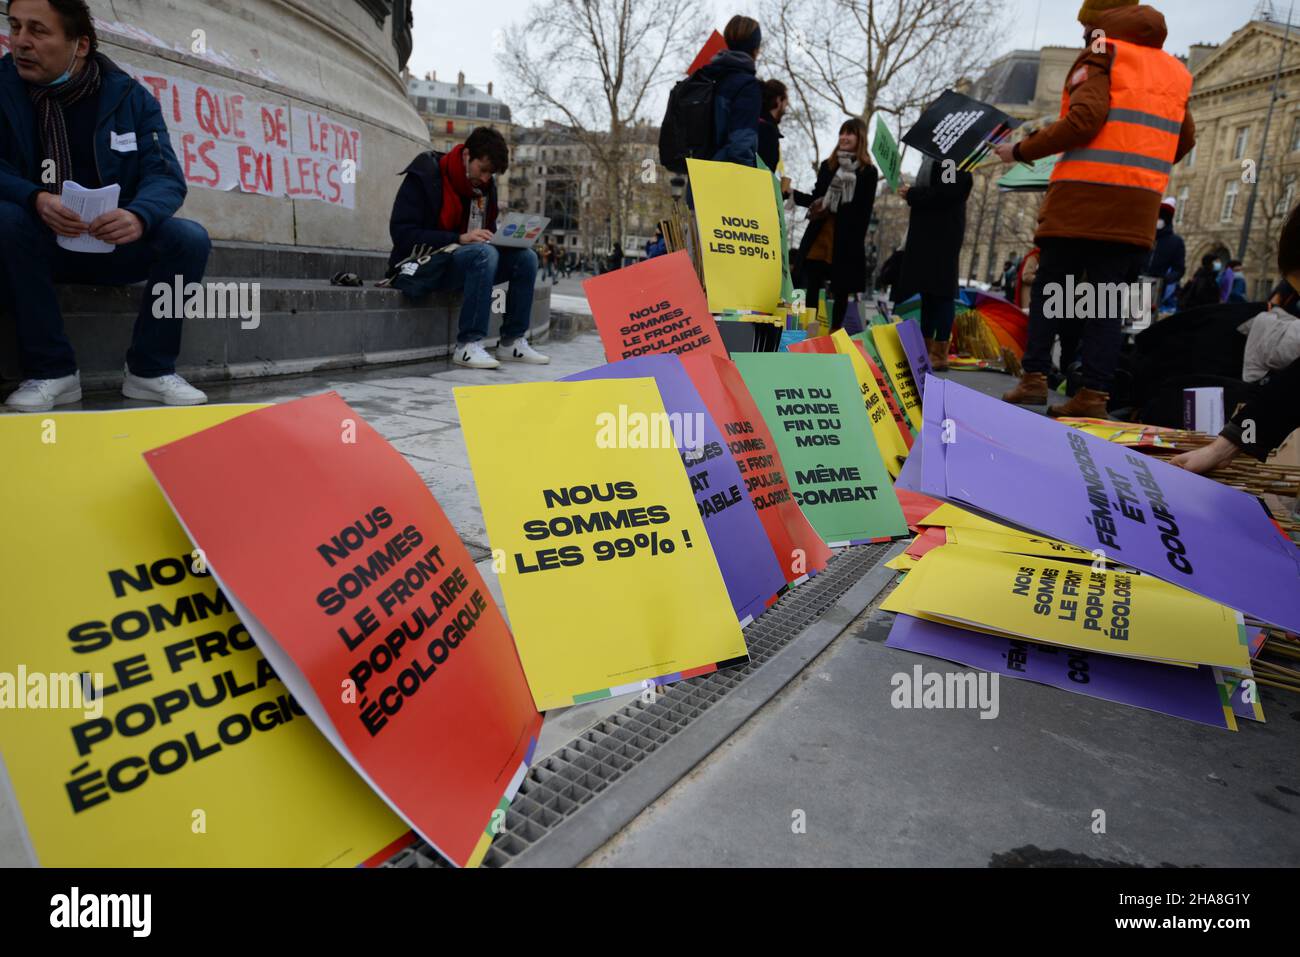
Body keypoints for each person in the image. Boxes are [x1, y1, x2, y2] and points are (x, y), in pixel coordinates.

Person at [1, 0, 210, 411]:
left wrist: (138, 215)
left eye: (38, 31)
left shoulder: (132, 99)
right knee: (5, 218)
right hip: (32, 244)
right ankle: (51, 371)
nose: (21, 42)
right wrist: (35, 197)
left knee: (189, 238)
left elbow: (165, 176)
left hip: (113, 243)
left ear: (79, 45)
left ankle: (150, 372)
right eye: (15, 26)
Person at [995, 0, 1195, 418]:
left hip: (1083, 200)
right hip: (1137, 207)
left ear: (1096, 22)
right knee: (1106, 301)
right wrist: (1140, 165)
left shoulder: (1103, 52)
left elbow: (1085, 119)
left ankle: (1034, 378)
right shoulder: (1174, 71)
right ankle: (1093, 396)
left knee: (1052, 288)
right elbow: (1184, 139)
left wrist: (1019, 149)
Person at [386, 126, 549, 370]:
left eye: (491, 174)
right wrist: (458, 238)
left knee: (525, 258)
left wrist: (501, 239)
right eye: (482, 170)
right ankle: (468, 345)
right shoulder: (427, 173)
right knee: (484, 254)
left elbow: (485, 233)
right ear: (466, 155)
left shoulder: (486, 188)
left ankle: (512, 341)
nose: (485, 179)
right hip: (424, 264)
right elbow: (402, 234)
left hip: (468, 262)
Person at [794, 118, 878, 334]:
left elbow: (863, 210)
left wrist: (835, 204)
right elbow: (817, 197)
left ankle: (835, 333)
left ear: (859, 138)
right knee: (812, 284)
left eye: (849, 133)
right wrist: (792, 195)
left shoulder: (867, 172)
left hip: (846, 239)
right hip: (821, 234)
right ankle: (809, 332)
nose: (844, 137)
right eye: (842, 133)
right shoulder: (828, 165)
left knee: (841, 290)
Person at [896, 156, 974, 371]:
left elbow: (946, 193)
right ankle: (925, 347)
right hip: (929, 233)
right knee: (928, 293)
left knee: (941, 292)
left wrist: (912, 194)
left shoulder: (951, 160)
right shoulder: (938, 159)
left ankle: (939, 352)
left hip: (942, 236)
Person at [697, 15, 762, 168]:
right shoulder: (747, 86)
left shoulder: (708, 76)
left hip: (698, 177)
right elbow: (741, 145)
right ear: (755, 49)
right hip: (724, 179)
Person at [1147, 196, 1185, 311]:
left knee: (1140, 323)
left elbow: (1179, 269)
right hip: (1131, 283)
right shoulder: (1146, 236)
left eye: (1162, 217)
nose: (1159, 220)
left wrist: (1165, 279)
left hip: (1155, 287)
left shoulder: (1175, 242)